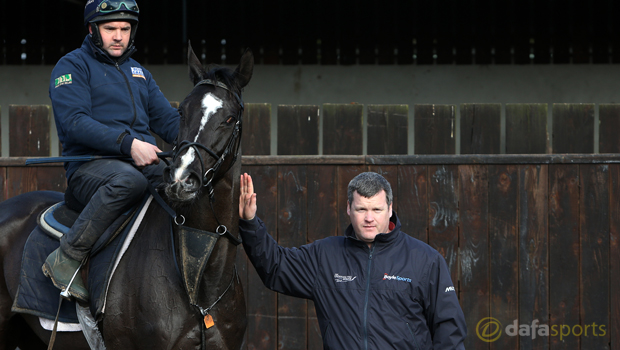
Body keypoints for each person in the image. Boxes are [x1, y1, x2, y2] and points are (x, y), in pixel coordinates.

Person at [42, 0, 180, 303]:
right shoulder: (71, 66)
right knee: (130, 181)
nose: (118, 36)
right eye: (110, 29)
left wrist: (200, 137)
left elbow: (167, 120)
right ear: (93, 30)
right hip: (90, 168)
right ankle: (67, 257)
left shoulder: (139, 72)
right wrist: (129, 144)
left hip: (140, 166)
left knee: (181, 186)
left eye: (125, 28)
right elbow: (75, 122)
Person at [238, 172, 467, 349]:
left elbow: (449, 327)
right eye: (361, 209)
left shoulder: (425, 259)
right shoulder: (325, 256)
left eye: (376, 209)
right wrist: (249, 223)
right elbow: (275, 267)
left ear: (390, 209)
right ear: (349, 209)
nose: (369, 218)